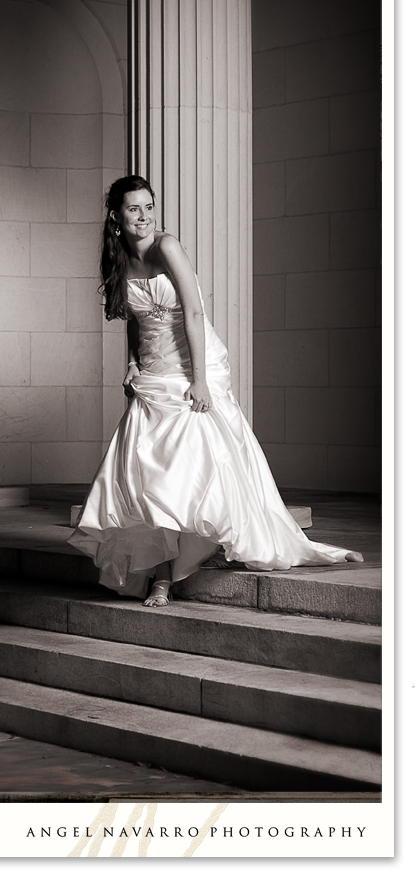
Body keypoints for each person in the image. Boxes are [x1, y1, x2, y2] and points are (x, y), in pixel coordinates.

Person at [68, 175, 363, 608]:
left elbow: (193, 310)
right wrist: (131, 364)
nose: (145, 217)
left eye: (149, 207)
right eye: (134, 209)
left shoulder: (167, 246)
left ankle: (215, 543)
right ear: (116, 216)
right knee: (147, 474)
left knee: (201, 462)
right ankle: (163, 577)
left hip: (191, 365)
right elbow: (134, 319)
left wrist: (200, 379)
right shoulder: (118, 261)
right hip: (151, 374)